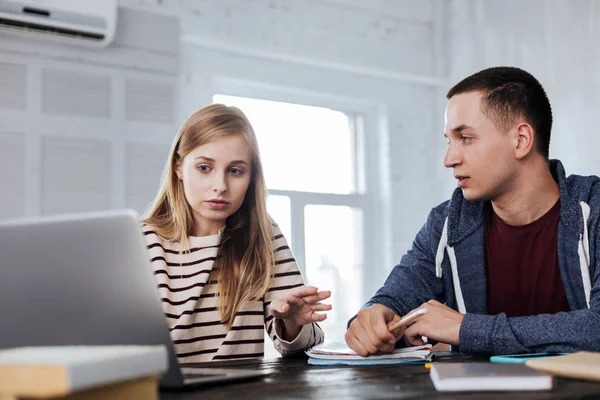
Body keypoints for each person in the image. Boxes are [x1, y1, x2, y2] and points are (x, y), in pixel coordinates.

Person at [345, 66, 600, 356]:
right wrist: (372, 316)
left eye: (465, 138)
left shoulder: (594, 209)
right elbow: (392, 299)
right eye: (448, 141)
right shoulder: (445, 223)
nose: (449, 159)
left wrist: (465, 329)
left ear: (521, 140)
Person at [142, 104, 331, 362]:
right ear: (179, 169)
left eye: (235, 171)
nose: (220, 186)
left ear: (251, 177)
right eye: (204, 168)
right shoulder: (141, 242)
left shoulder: (263, 234)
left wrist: (293, 322)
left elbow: (300, 346)